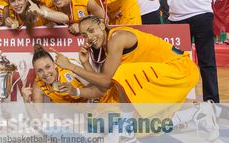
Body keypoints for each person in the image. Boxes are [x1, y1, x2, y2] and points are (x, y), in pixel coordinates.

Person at [52, 15, 199, 104]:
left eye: (91, 31)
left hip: (181, 69)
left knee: (122, 75)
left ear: (102, 25)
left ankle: (124, 128)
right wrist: (84, 63)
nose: (89, 37)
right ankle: (195, 113)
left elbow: (106, 81)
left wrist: (72, 67)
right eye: (84, 35)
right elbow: (103, 87)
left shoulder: (117, 39)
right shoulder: (107, 46)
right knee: (118, 97)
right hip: (168, 73)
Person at [21, 45, 101, 103]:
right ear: (35, 72)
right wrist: (26, 100)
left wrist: (75, 91)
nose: (45, 73)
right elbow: (37, 118)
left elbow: (97, 90)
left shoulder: (68, 66)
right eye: (39, 70)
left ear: (54, 64)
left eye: (48, 67)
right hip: (69, 120)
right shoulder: (38, 84)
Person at [4, 0, 69, 31]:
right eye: (12, 1)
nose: (16, 4)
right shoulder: (11, 12)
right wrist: (8, 23)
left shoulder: (38, 7)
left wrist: (42, 13)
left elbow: (65, 18)